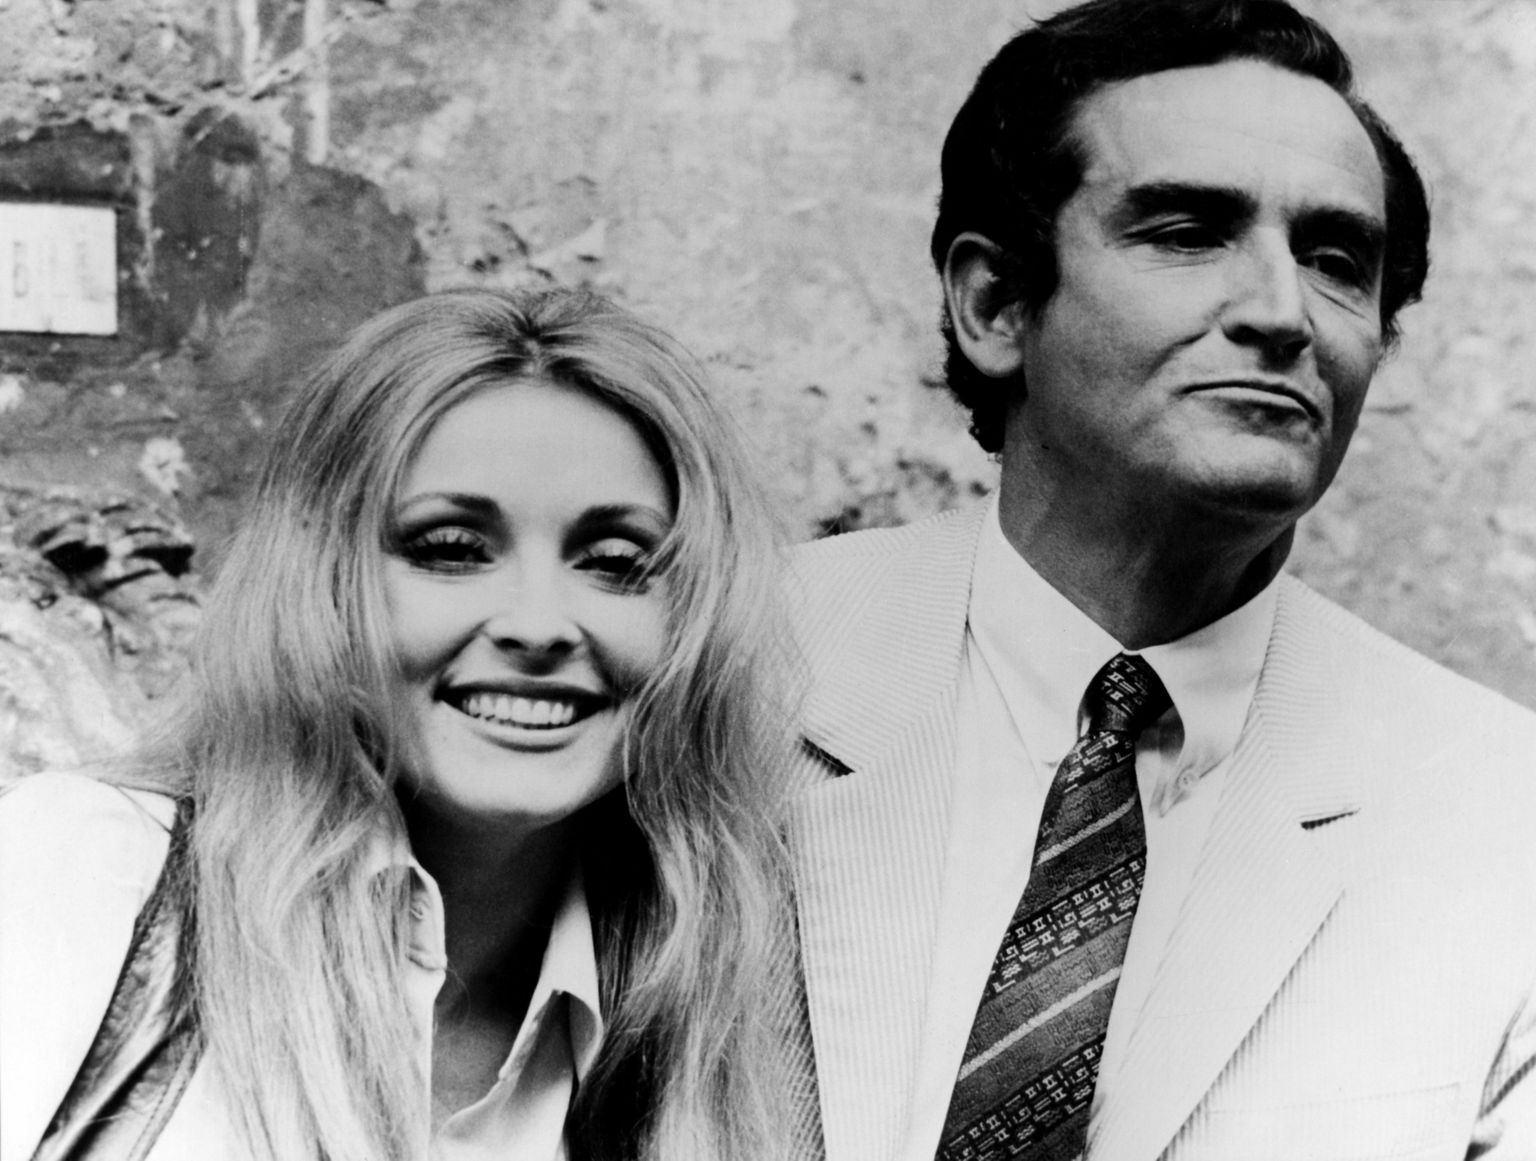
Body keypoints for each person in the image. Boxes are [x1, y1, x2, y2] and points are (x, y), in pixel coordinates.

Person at [776, 1, 1536, 1159]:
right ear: (995, 305)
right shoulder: (729, 670)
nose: (1282, 313)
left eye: (1337, 262)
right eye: (1186, 233)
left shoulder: (1498, 817)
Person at [0, 287, 803, 1161]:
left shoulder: (715, 1021)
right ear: (324, 584)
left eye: (614, 563)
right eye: (451, 549)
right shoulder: (89, 872)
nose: (539, 624)